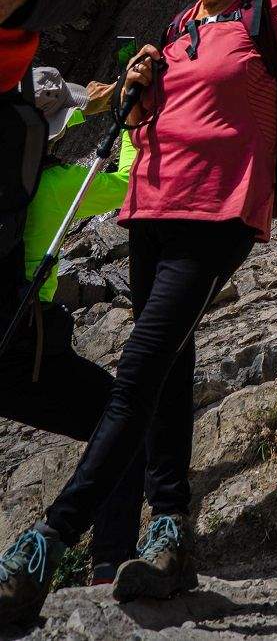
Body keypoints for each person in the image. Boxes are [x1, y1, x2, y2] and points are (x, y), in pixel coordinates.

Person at [0, 0, 277, 619]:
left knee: (136, 375)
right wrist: (138, 98)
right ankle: (170, 535)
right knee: (167, 368)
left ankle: (45, 544)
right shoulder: (178, 27)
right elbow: (148, 125)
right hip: (151, 207)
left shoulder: (274, 8)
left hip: (220, 211)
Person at [0, 71, 142, 586]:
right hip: (21, 352)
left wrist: (89, 107)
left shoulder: (9, 189)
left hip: (5, 334)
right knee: (121, 424)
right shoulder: (57, 187)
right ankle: (108, 563)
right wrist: (129, 127)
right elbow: (132, 188)